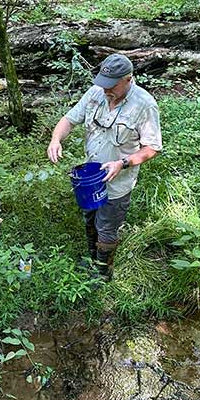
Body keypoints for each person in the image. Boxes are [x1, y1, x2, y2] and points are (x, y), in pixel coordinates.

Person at [47, 53, 162, 278]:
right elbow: (69, 119)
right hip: (91, 179)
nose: (106, 89)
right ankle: (92, 259)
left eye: (112, 85)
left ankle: (102, 273)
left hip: (118, 183)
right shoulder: (96, 93)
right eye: (103, 83)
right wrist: (55, 139)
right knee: (89, 218)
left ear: (128, 79)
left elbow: (152, 148)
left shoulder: (144, 105)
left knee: (107, 227)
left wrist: (122, 163)